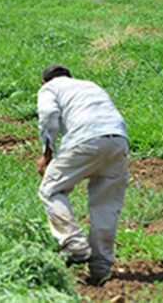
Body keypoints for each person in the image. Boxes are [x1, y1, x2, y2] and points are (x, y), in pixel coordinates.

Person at [36, 64, 129, 286]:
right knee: (106, 203)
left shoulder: (50, 89)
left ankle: (73, 242)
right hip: (118, 140)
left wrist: (46, 153)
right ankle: (100, 267)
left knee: (50, 189)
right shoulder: (89, 85)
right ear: (71, 76)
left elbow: (48, 115)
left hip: (85, 139)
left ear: (44, 82)